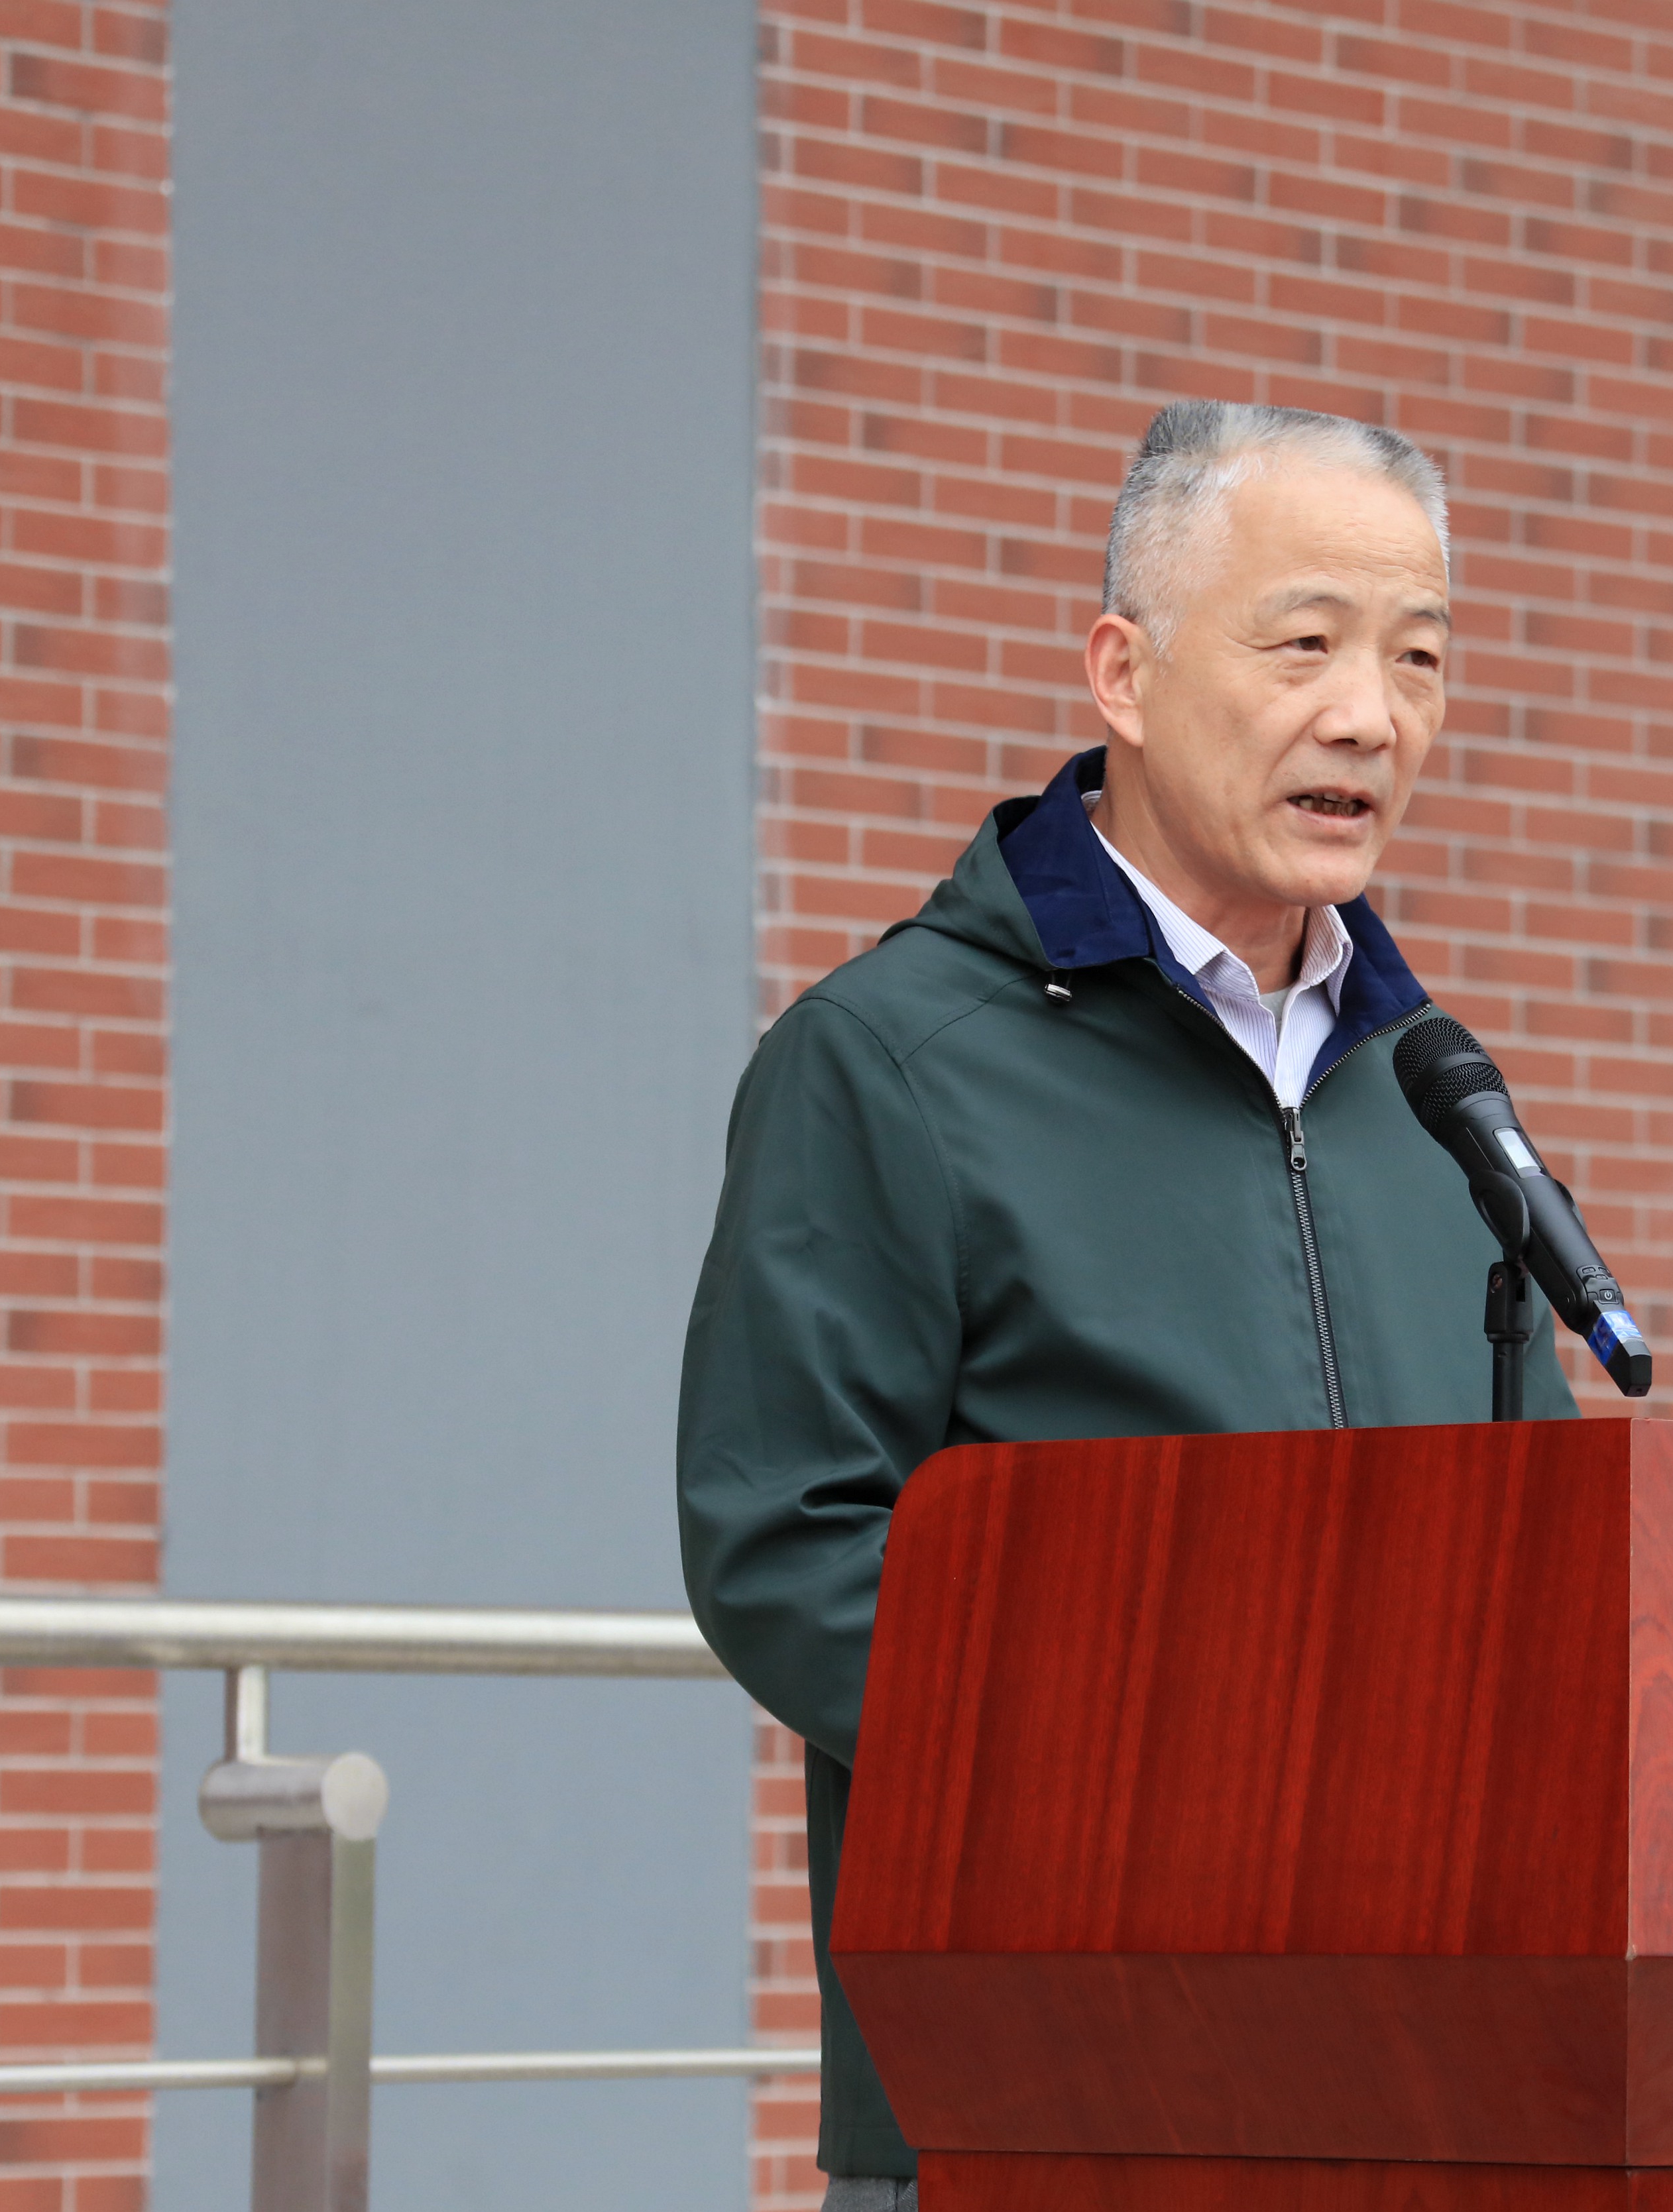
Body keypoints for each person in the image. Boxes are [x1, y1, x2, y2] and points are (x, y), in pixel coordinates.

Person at [675, 402, 1580, 2211]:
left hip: (1422, 2089)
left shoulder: (1433, 1100)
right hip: (1042, 2091)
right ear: (1125, 673)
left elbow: (1542, 1569)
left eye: (1418, 659)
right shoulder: (891, 1064)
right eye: (1305, 643)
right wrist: (1186, 1784)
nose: (1371, 715)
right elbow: (789, 1548)